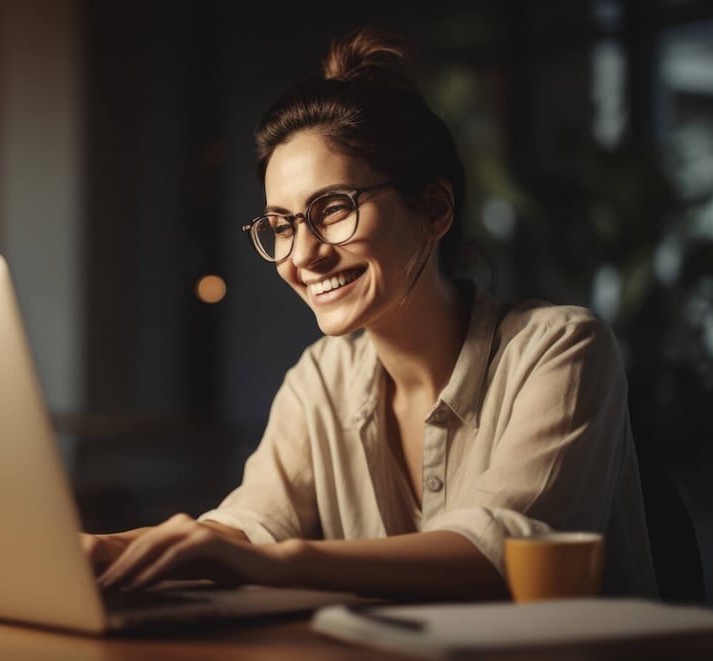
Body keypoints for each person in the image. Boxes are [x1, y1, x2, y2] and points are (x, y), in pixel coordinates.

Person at [83, 29, 658, 600]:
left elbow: (502, 554)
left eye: (332, 209)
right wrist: (92, 549)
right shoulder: (320, 382)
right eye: (282, 225)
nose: (303, 255)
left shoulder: (560, 350)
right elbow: (248, 527)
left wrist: (281, 563)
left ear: (434, 209)